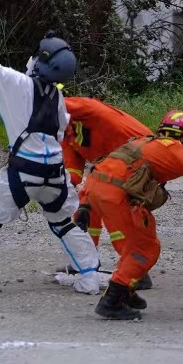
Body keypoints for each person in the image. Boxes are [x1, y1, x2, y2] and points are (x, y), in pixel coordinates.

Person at [0, 28, 104, 296]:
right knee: (64, 222)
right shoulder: (59, 98)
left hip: (23, 170)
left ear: (40, 62)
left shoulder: (15, 83)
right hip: (55, 172)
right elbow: (61, 130)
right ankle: (89, 276)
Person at [89, 110, 183, 321]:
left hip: (97, 187)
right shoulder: (179, 151)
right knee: (145, 248)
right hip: (116, 195)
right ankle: (113, 299)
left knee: (137, 239)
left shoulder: (143, 142)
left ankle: (125, 291)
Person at [63, 95, 150, 280]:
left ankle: (135, 269)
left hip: (140, 157)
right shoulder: (66, 133)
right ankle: (85, 262)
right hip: (113, 165)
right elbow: (73, 170)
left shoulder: (84, 108)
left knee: (114, 209)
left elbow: (62, 104)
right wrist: (60, 185)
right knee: (85, 206)